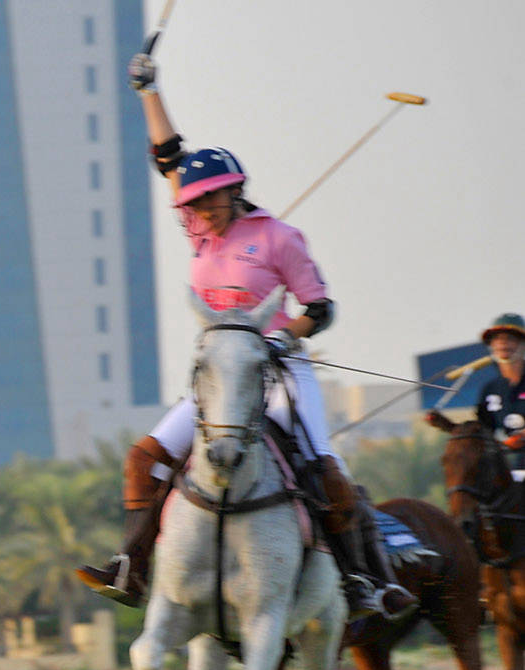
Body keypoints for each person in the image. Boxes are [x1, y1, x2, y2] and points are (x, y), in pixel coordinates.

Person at [73, 54, 416, 623]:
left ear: (234, 192)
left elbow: (319, 308)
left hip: (280, 369)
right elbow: (169, 157)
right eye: (194, 201)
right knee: (142, 460)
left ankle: (364, 578)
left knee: (324, 468)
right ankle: (131, 565)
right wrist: (147, 90)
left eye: (210, 198)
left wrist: (283, 341)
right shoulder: (199, 233)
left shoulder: (280, 238)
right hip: (220, 375)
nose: (200, 208)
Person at [471, 313, 525, 480]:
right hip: (504, 471)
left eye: (510, 338)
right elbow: (484, 432)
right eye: (497, 339)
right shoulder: (489, 389)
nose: (503, 343)